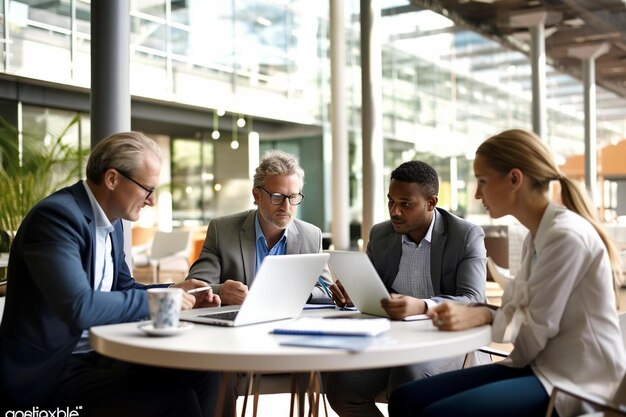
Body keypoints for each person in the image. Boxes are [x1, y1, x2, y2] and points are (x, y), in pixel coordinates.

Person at [388, 129, 626, 417]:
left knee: (432, 412)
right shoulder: (536, 236)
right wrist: (490, 314)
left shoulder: (565, 237)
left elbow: (531, 334)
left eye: (483, 181)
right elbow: (518, 316)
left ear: (515, 179)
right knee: (404, 399)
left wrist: (486, 315)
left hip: (570, 383)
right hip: (535, 367)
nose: (477, 193)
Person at [0, 132, 221, 417]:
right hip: (49, 372)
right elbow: (79, 306)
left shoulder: (111, 222)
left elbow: (123, 285)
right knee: (175, 400)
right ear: (113, 179)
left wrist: (179, 290)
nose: (151, 201)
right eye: (147, 189)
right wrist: (168, 300)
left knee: (202, 371)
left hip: (99, 354)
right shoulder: (56, 218)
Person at [326, 160, 487, 417]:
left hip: (445, 338)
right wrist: (352, 293)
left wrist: (422, 306)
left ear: (431, 203)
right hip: (393, 338)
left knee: (406, 378)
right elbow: (372, 289)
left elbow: (474, 299)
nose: (395, 211)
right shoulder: (380, 235)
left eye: (405, 204)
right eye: (391, 201)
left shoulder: (466, 235)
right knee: (340, 385)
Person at [186, 149, 331, 305]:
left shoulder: (311, 235)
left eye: (293, 197)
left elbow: (327, 290)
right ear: (256, 195)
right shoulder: (222, 231)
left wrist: (302, 293)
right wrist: (221, 291)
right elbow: (193, 288)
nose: (286, 206)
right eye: (277, 196)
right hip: (239, 325)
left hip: (290, 322)